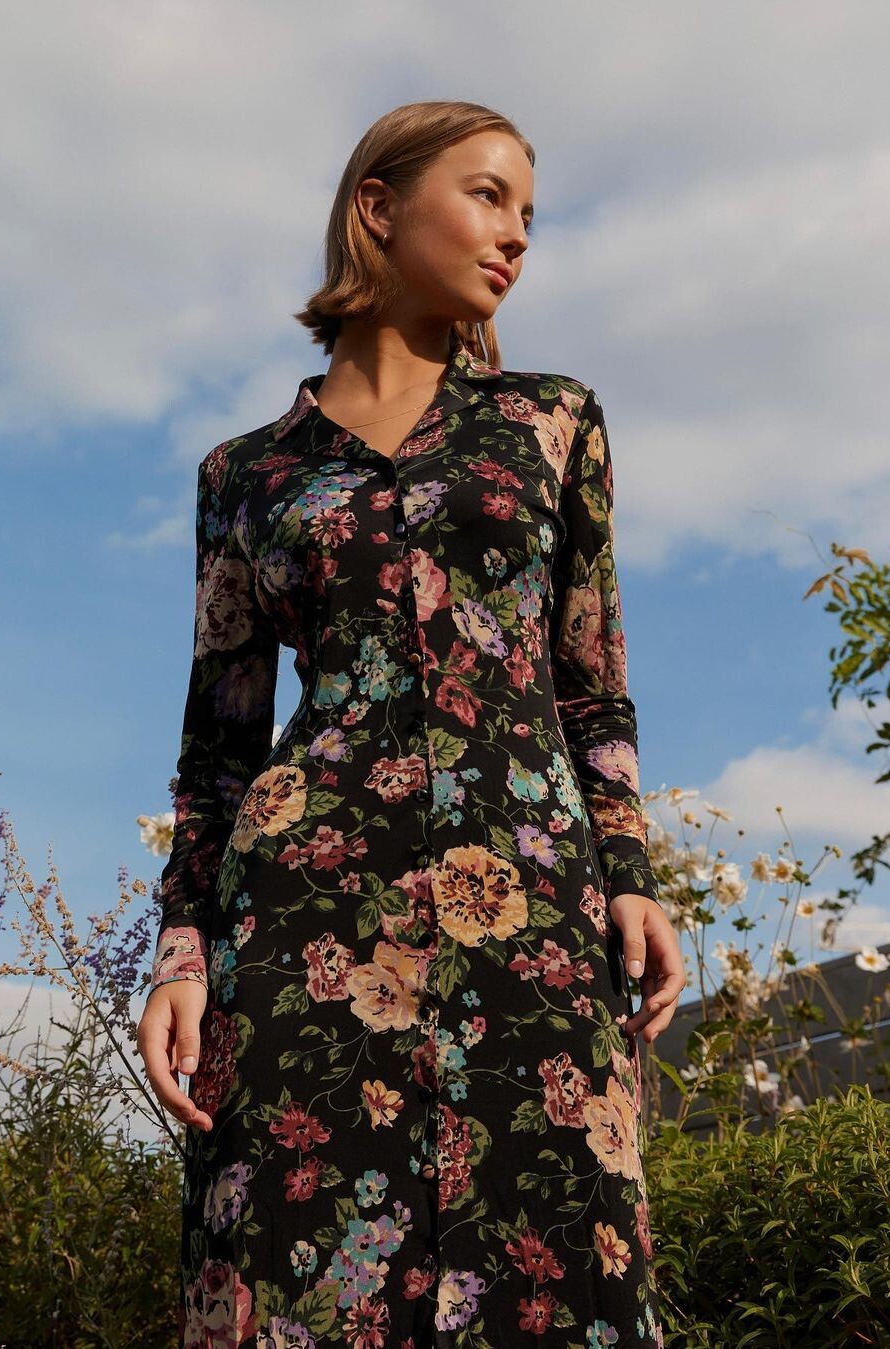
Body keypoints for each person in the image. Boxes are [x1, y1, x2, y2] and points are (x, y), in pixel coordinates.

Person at [137, 98, 686, 1349]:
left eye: (529, 211)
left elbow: (591, 681)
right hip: (302, 927)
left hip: (532, 914)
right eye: (488, 195)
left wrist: (630, 873)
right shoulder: (245, 473)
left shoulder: (551, 422)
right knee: (292, 1264)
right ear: (377, 208)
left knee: (567, 1267)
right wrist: (181, 953)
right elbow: (218, 745)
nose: (518, 234)